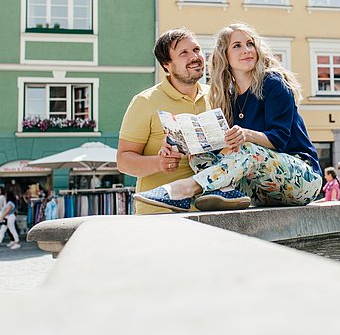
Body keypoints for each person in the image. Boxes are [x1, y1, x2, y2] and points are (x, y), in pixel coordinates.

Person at [134, 22, 323, 212]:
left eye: (250, 44)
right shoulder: (225, 97)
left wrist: (245, 134)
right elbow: (221, 150)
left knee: (249, 149)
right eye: (237, 46)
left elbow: (279, 139)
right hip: (261, 191)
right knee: (198, 152)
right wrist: (173, 146)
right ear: (224, 55)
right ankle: (224, 189)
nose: (247, 50)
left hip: (300, 180)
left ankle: (184, 189)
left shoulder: (273, 83)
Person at [117, 28, 214, 215]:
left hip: (208, 211)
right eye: (183, 53)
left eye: (196, 49)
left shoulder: (216, 95)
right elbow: (123, 160)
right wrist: (159, 162)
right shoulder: (145, 101)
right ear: (166, 65)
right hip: (159, 213)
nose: (194, 56)